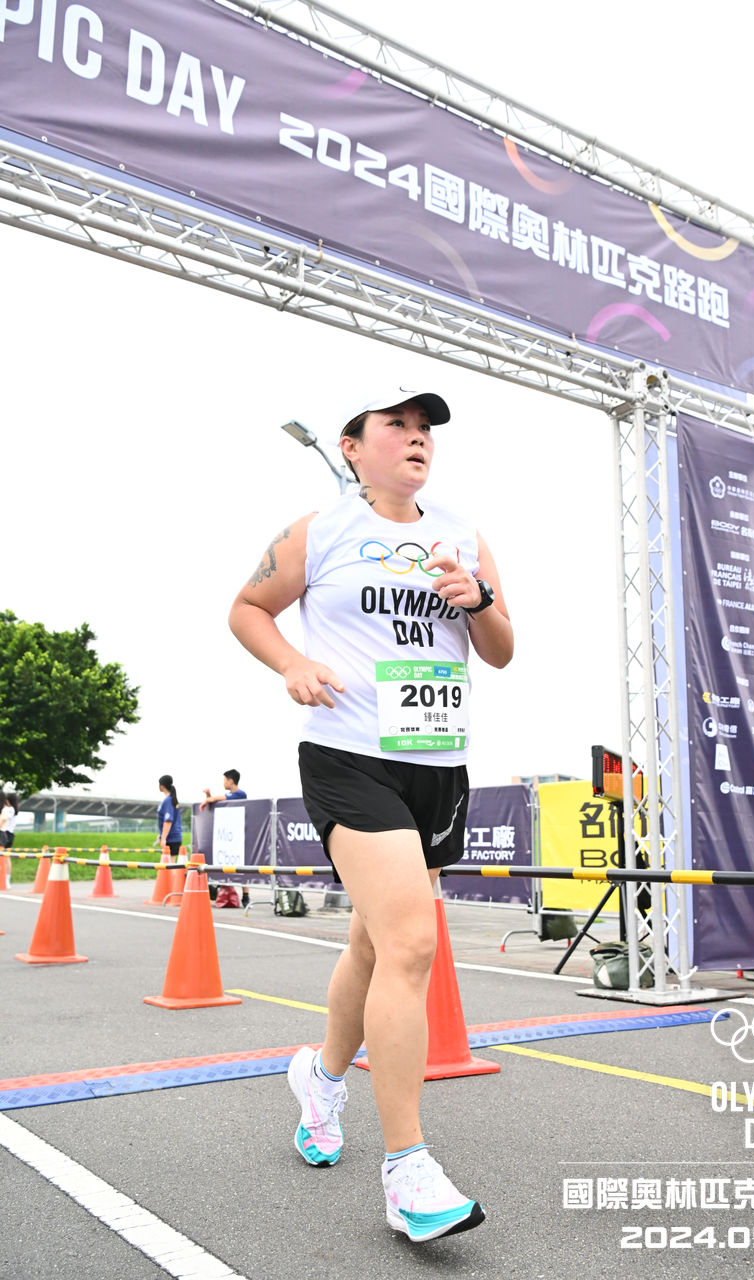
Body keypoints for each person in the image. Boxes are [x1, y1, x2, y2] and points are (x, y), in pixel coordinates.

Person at [229, 386, 513, 1242]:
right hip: (349, 757)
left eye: (425, 430)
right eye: (397, 426)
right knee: (413, 943)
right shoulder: (319, 531)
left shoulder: (462, 534)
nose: (416, 439)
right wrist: (292, 663)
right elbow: (246, 609)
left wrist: (476, 599)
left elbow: (502, 650)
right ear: (352, 446)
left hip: (438, 766)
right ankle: (407, 1170)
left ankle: (320, 1080)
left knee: (372, 942)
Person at [200, 770, 250, 907]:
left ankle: (246, 896)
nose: (223, 783)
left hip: (239, 836)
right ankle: (217, 887)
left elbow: (220, 798)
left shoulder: (240, 794)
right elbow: (215, 801)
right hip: (227, 836)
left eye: (224, 780)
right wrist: (209, 796)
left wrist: (210, 798)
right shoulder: (228, 796)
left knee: (242, 865)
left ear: (231, 781)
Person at [156, 774, 183, 862]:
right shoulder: (170, 799)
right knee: (168, 864)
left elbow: (168, 821)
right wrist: (161, 835)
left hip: (171, 838)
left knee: (168, 865)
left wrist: (163, 838)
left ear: (162, 786)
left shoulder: (168, 800)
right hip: (172, 837)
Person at [0, 791, 18, 877]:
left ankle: (6, 878)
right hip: (8, 833)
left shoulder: (9, 809)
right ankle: (6, 878)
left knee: (5, 857)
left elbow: (3, 820)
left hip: (6, 833)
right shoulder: (12, 809)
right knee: (6, 857)